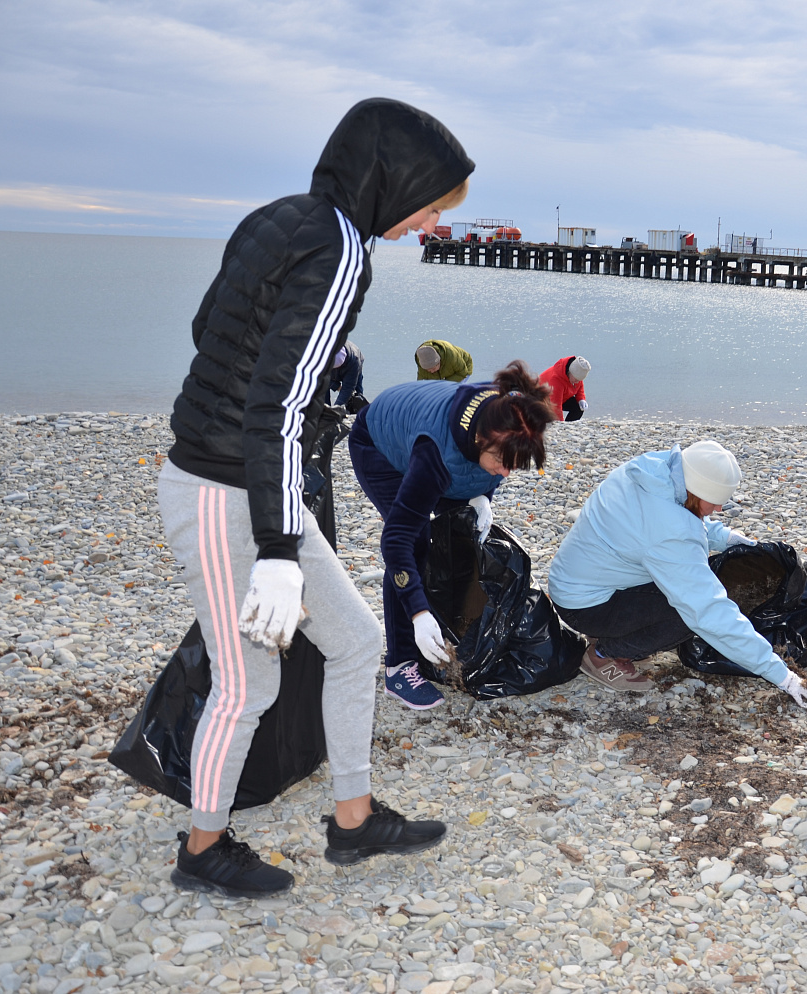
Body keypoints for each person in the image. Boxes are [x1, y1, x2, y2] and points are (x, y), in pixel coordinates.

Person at [158, 97, 472, 898]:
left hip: (243, 480)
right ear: (390, 181)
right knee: (248, 684)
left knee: (360, 641)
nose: (432, 224)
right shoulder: (341, 248)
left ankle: (355, 819)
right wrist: (274, 551)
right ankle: (201, 849)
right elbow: (278, 405)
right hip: (226, 491)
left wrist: (320, 349)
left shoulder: (283, 217)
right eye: (432, 205)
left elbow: (210, 328)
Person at [547, 440, 807, 707]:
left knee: (691, 587)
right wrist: (781, 675)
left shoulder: (654, 471)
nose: (720, 509)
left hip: (577, 581)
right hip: (585, 606)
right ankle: (602, 654)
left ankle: (613, 634)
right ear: (697, 491)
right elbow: (707, 611)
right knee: (687, 615)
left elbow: (678, 516)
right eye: (715, 501)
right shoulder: (670, 533)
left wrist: (728, 539)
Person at [349, 362, 552, 709]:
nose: (505, 472)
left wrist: (482, 498)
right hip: (378, 446)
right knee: (414, 543)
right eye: (501, 462)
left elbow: (488, 469)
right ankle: (400, 665)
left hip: (445, 452)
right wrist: (418, 614)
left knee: (459, 534)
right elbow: (395, 540)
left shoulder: (508, 416)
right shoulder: (435, 454)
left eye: (513, 465)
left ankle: (447, 633)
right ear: (479, 440)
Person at [540, 355, 591, 421]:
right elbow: (556, 406)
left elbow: (580, 387)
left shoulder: (576, 375)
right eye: (576, 379)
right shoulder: (556, 380)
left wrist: (581, 399)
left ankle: (569, 424)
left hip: (562, 398)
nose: (577, 382)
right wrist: (561, 423)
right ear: (570, 372)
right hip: (541, 400)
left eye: (579, 380)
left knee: (578, 407)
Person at [328, 342, 367, 412]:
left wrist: (337, 408)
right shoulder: (320, 354)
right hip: (327, 369)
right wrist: (337, 386)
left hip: (352, 365)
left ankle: (359, 413)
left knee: (357, 394)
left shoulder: (355, 361)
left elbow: (348, 388)